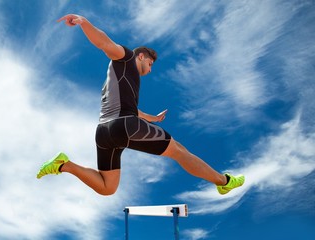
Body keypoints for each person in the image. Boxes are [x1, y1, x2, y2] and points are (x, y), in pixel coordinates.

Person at [36, 14, 244, 196]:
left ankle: (64, 165)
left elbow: (132, 109)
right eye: (150, 64)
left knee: (107, 188)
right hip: (124, 125)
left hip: (104, 132)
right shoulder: (126, 58)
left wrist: (153, 118)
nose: (150, 70)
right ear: (141, 56)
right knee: (178, 150)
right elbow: (105, 44)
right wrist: (84, 22)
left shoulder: (114, 81)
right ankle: (224, 182)